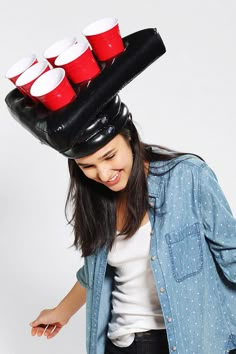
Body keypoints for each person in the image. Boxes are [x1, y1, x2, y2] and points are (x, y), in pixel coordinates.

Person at [5, 27, 236, 354]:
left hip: (186, 343)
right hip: (116, 345)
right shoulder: (96, 199)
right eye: (87, 166)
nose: (102, 174)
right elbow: (95, 272)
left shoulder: (187, 178)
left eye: (109, 156)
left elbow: (232, 253)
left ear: (131, 138)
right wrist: (63, 311)